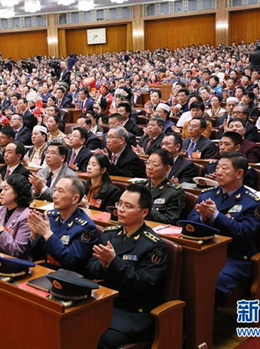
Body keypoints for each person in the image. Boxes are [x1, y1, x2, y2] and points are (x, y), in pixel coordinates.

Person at [86, 184, 167, 349]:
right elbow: (90, 268)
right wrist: (104, 264)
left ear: (144, 212)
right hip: (105, 301)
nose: (121, 209)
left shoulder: (154, 245)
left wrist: (113, 262)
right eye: (120, 204)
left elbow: (144, 284)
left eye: (128, 206)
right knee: (73, 323)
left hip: (134, 311)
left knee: (99, 337)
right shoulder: (110, 234)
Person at [187, 152, 260, 299]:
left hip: (235, 259)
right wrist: (204, 218)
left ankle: (204, 320)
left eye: (224, 168)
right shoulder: (207, 194)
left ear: (239, 173)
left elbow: (243, 233)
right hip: (206, 251)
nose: (218, 172)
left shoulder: (253, 202)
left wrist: (216, 216)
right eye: (217, 168)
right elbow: (191, 220)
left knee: (206, 281)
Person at [28, 176, 98, 273]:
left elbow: (70, 261)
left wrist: (48, 234)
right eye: (55, 190)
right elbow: (35, 255)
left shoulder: (86, 228)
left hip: (67, 279)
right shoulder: (51, 217)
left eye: (60, 191)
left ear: (75, 198)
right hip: (44, 271)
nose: (54, 196)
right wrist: (34, 235)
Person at [0, 174, 33, 260]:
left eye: (6, 189)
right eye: (2, 189)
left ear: (17, 192)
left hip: (13, 265)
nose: (2, 192)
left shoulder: (27, 217)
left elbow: (16, 251)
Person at [144, 148, 186, 224]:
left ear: (167, 168)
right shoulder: (139, 186)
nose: (149, 167)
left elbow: (170, 220)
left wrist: (144, 209)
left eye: (155, 165)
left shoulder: (175, 192)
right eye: (148, 163)